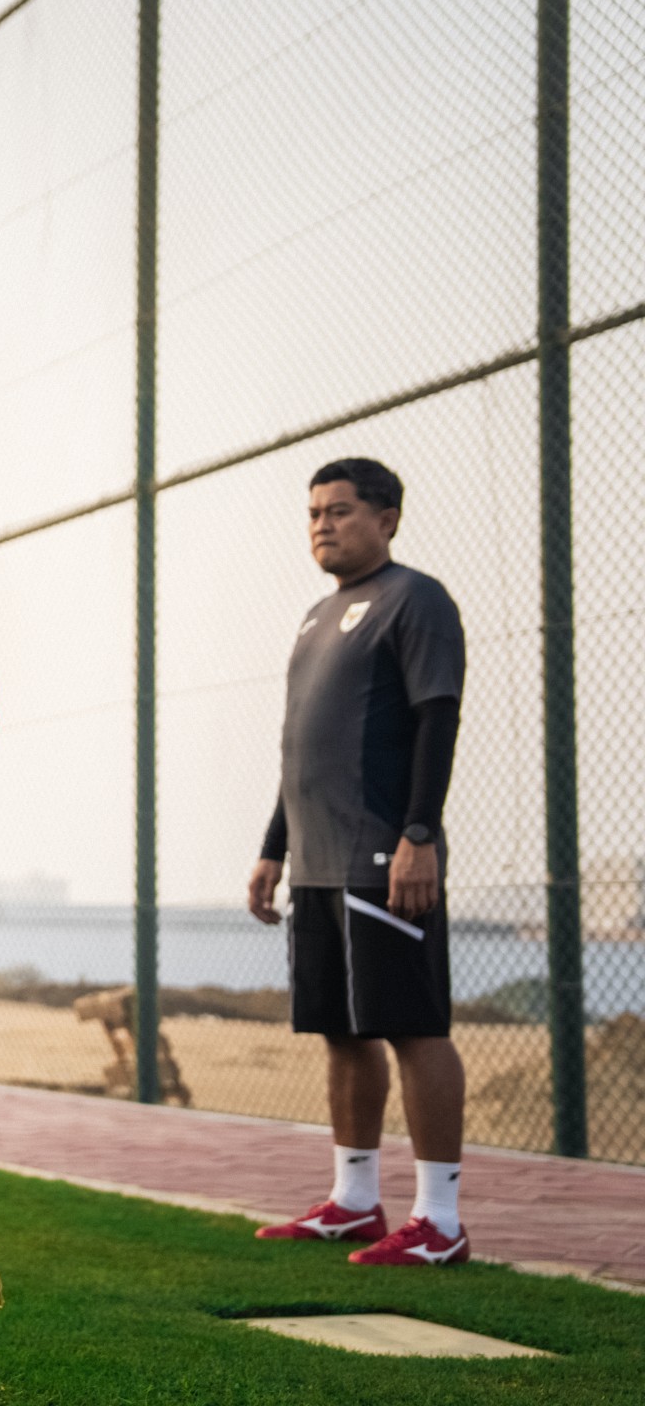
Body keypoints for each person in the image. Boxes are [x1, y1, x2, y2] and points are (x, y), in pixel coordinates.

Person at [248, 457, 470, 1267]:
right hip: (316, 862)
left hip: (385, 854)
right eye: (314, 512)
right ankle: (353, 1202)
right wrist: (274, 848)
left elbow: (435, 720)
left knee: (412, 1028)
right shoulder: (316, 615)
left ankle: (440, 1220)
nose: (322, 525)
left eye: (340, 511)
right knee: (342, 1034)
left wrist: (420, 834)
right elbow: (300, 747)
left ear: (388, 518)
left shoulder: (417, 600)